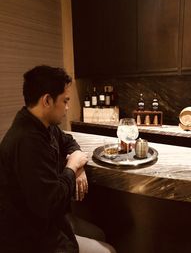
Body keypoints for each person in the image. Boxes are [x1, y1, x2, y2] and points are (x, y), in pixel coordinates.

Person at [0, 65, 116, 253]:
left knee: (100, 235)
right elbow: (50, 204)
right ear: (47, 100)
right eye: (65, 100)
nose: (68, 107)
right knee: (108, 251)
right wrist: (72, 167)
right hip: (29, 239)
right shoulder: (27, 141)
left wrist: (78, 167)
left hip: (48, 225)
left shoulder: (44, 125)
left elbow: (68, 141)